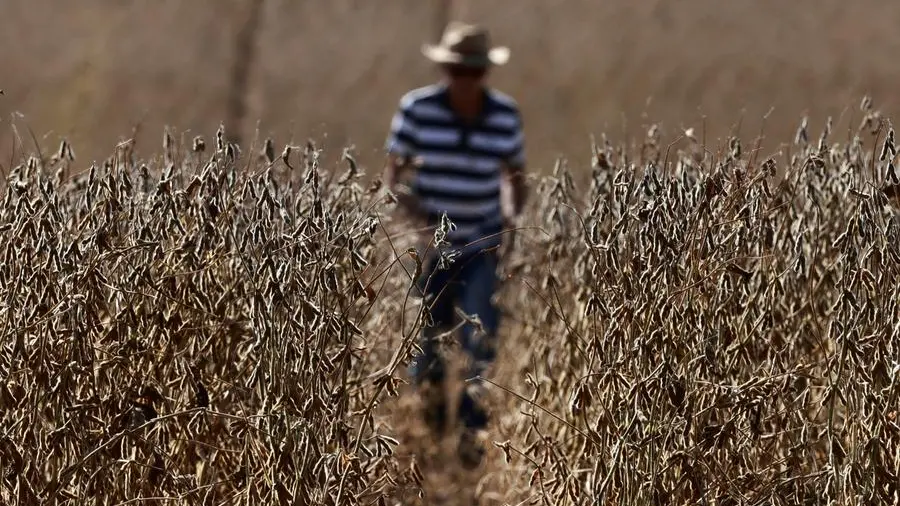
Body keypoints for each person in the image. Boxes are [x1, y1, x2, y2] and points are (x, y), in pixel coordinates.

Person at [381, 21, 527, 468]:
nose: (467, 80)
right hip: (430, 247)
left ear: (485, 73)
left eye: (475, 72)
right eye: (459, 71)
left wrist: (509, 228)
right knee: (427, 342)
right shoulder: (417, 109)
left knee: (478, 338)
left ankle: (470, 436)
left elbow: (517, 178)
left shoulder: (505, 115)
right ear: (446, 70)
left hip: (482, 245)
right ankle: (428, 432)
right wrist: (420, 223)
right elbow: (394, 178)